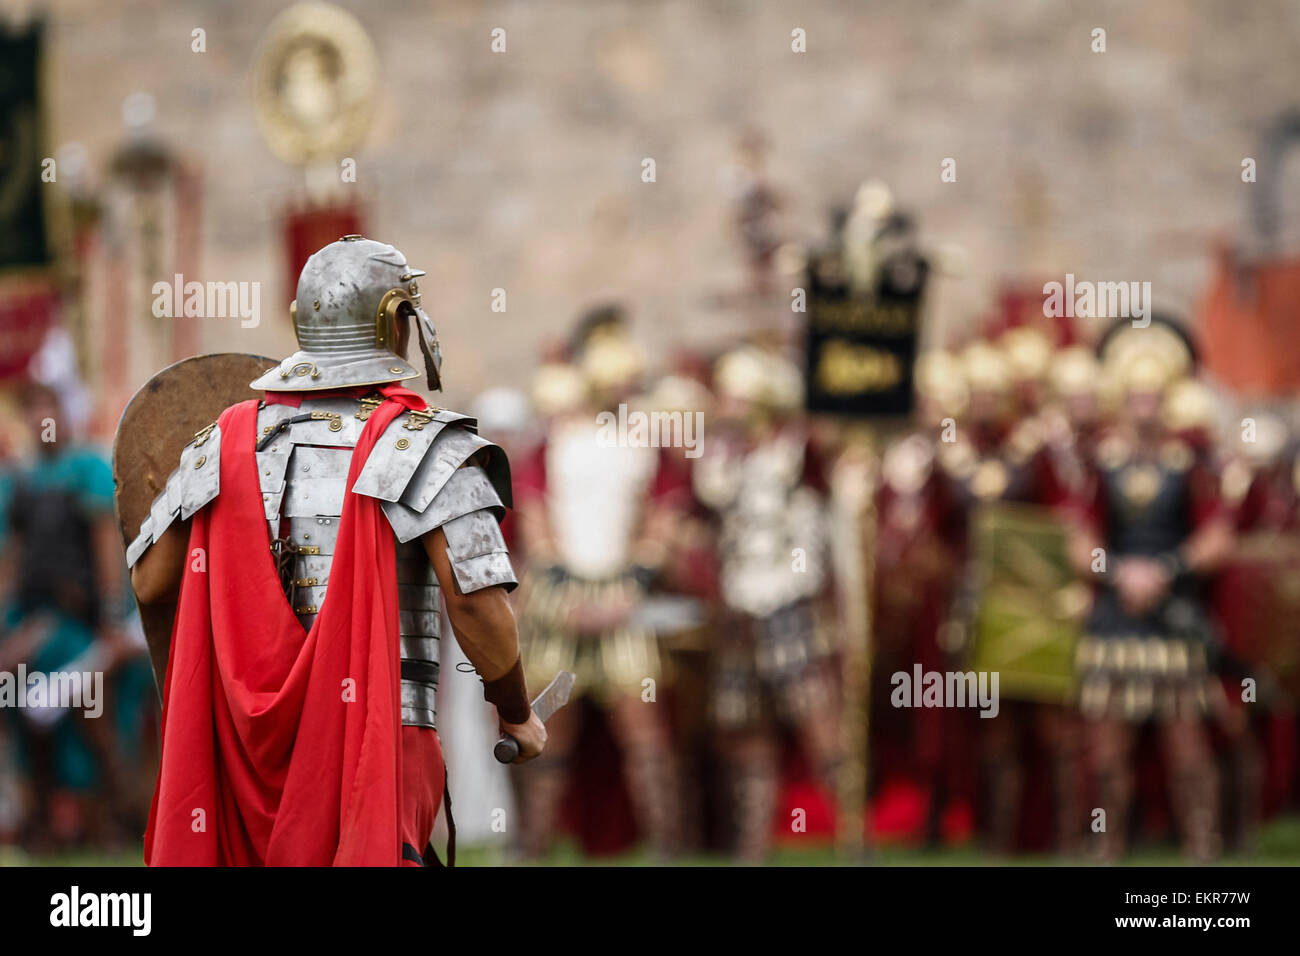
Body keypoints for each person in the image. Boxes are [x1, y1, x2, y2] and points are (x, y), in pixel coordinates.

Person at [126, 236, 545, 866]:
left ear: (304, 324)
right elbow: (477, 606)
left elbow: (151, 583)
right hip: (375, 736)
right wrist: (516, 714)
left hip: (244, 746)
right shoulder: (425, 445)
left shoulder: (222, 440)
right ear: (394, 321)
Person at [510, 318, 685, 859]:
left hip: (622, 599)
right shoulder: (552, 440)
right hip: (562, 600)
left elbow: (666, 512)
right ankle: (532, 844)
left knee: (644, 731)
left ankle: (668, 845)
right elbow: (534, 512)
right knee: (550, 728)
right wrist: (562, 587)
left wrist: (634, 581)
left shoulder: (645, 442)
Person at [1070, 320, 1233, 861]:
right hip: (1115, 618)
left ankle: (1203, 847)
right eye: (1136, 395)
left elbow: (1216, 538)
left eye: (1153, 396)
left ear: (1167, 400)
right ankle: (1105, 847)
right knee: (1107, 755)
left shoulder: (1190, 462)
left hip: (1172, 614)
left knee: (1188, 750)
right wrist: (1118, 573)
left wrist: (1165, 569)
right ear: (1123, 397)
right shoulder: (1100, 461)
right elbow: (1079, 539)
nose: (1144, 405)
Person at [693, 345, 839, 862]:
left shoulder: (800, 451)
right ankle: (752, 849)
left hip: (791, 601)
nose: (728, 408)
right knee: (746, 733)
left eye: (737, 398)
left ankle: (855, 841)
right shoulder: (722, 460)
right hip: (740, 608)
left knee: (820, 725)